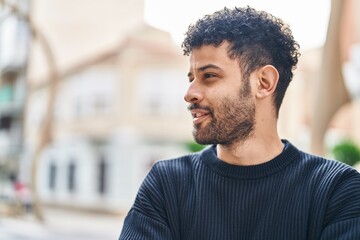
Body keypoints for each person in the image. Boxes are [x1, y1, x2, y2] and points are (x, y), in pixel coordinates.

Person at [119, 6, 360, 239]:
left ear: (264, 82)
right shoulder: (167, 184)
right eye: (192, 78)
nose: (189, 93)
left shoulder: (336, 189)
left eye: (209, 76)